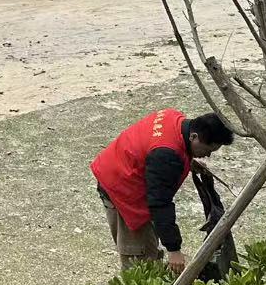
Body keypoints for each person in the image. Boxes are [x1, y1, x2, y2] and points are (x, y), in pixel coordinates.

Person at [91, 108, 233, 272]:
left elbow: (153, 149)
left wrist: (187, 160)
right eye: (208, 150)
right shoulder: (166, 155)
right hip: (121, 188)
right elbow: (160, 203)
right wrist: (174, 249)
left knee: (149, 246)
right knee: (139, 260)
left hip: (120, 165)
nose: (207, 155)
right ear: (194, 136)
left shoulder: (175, 118)